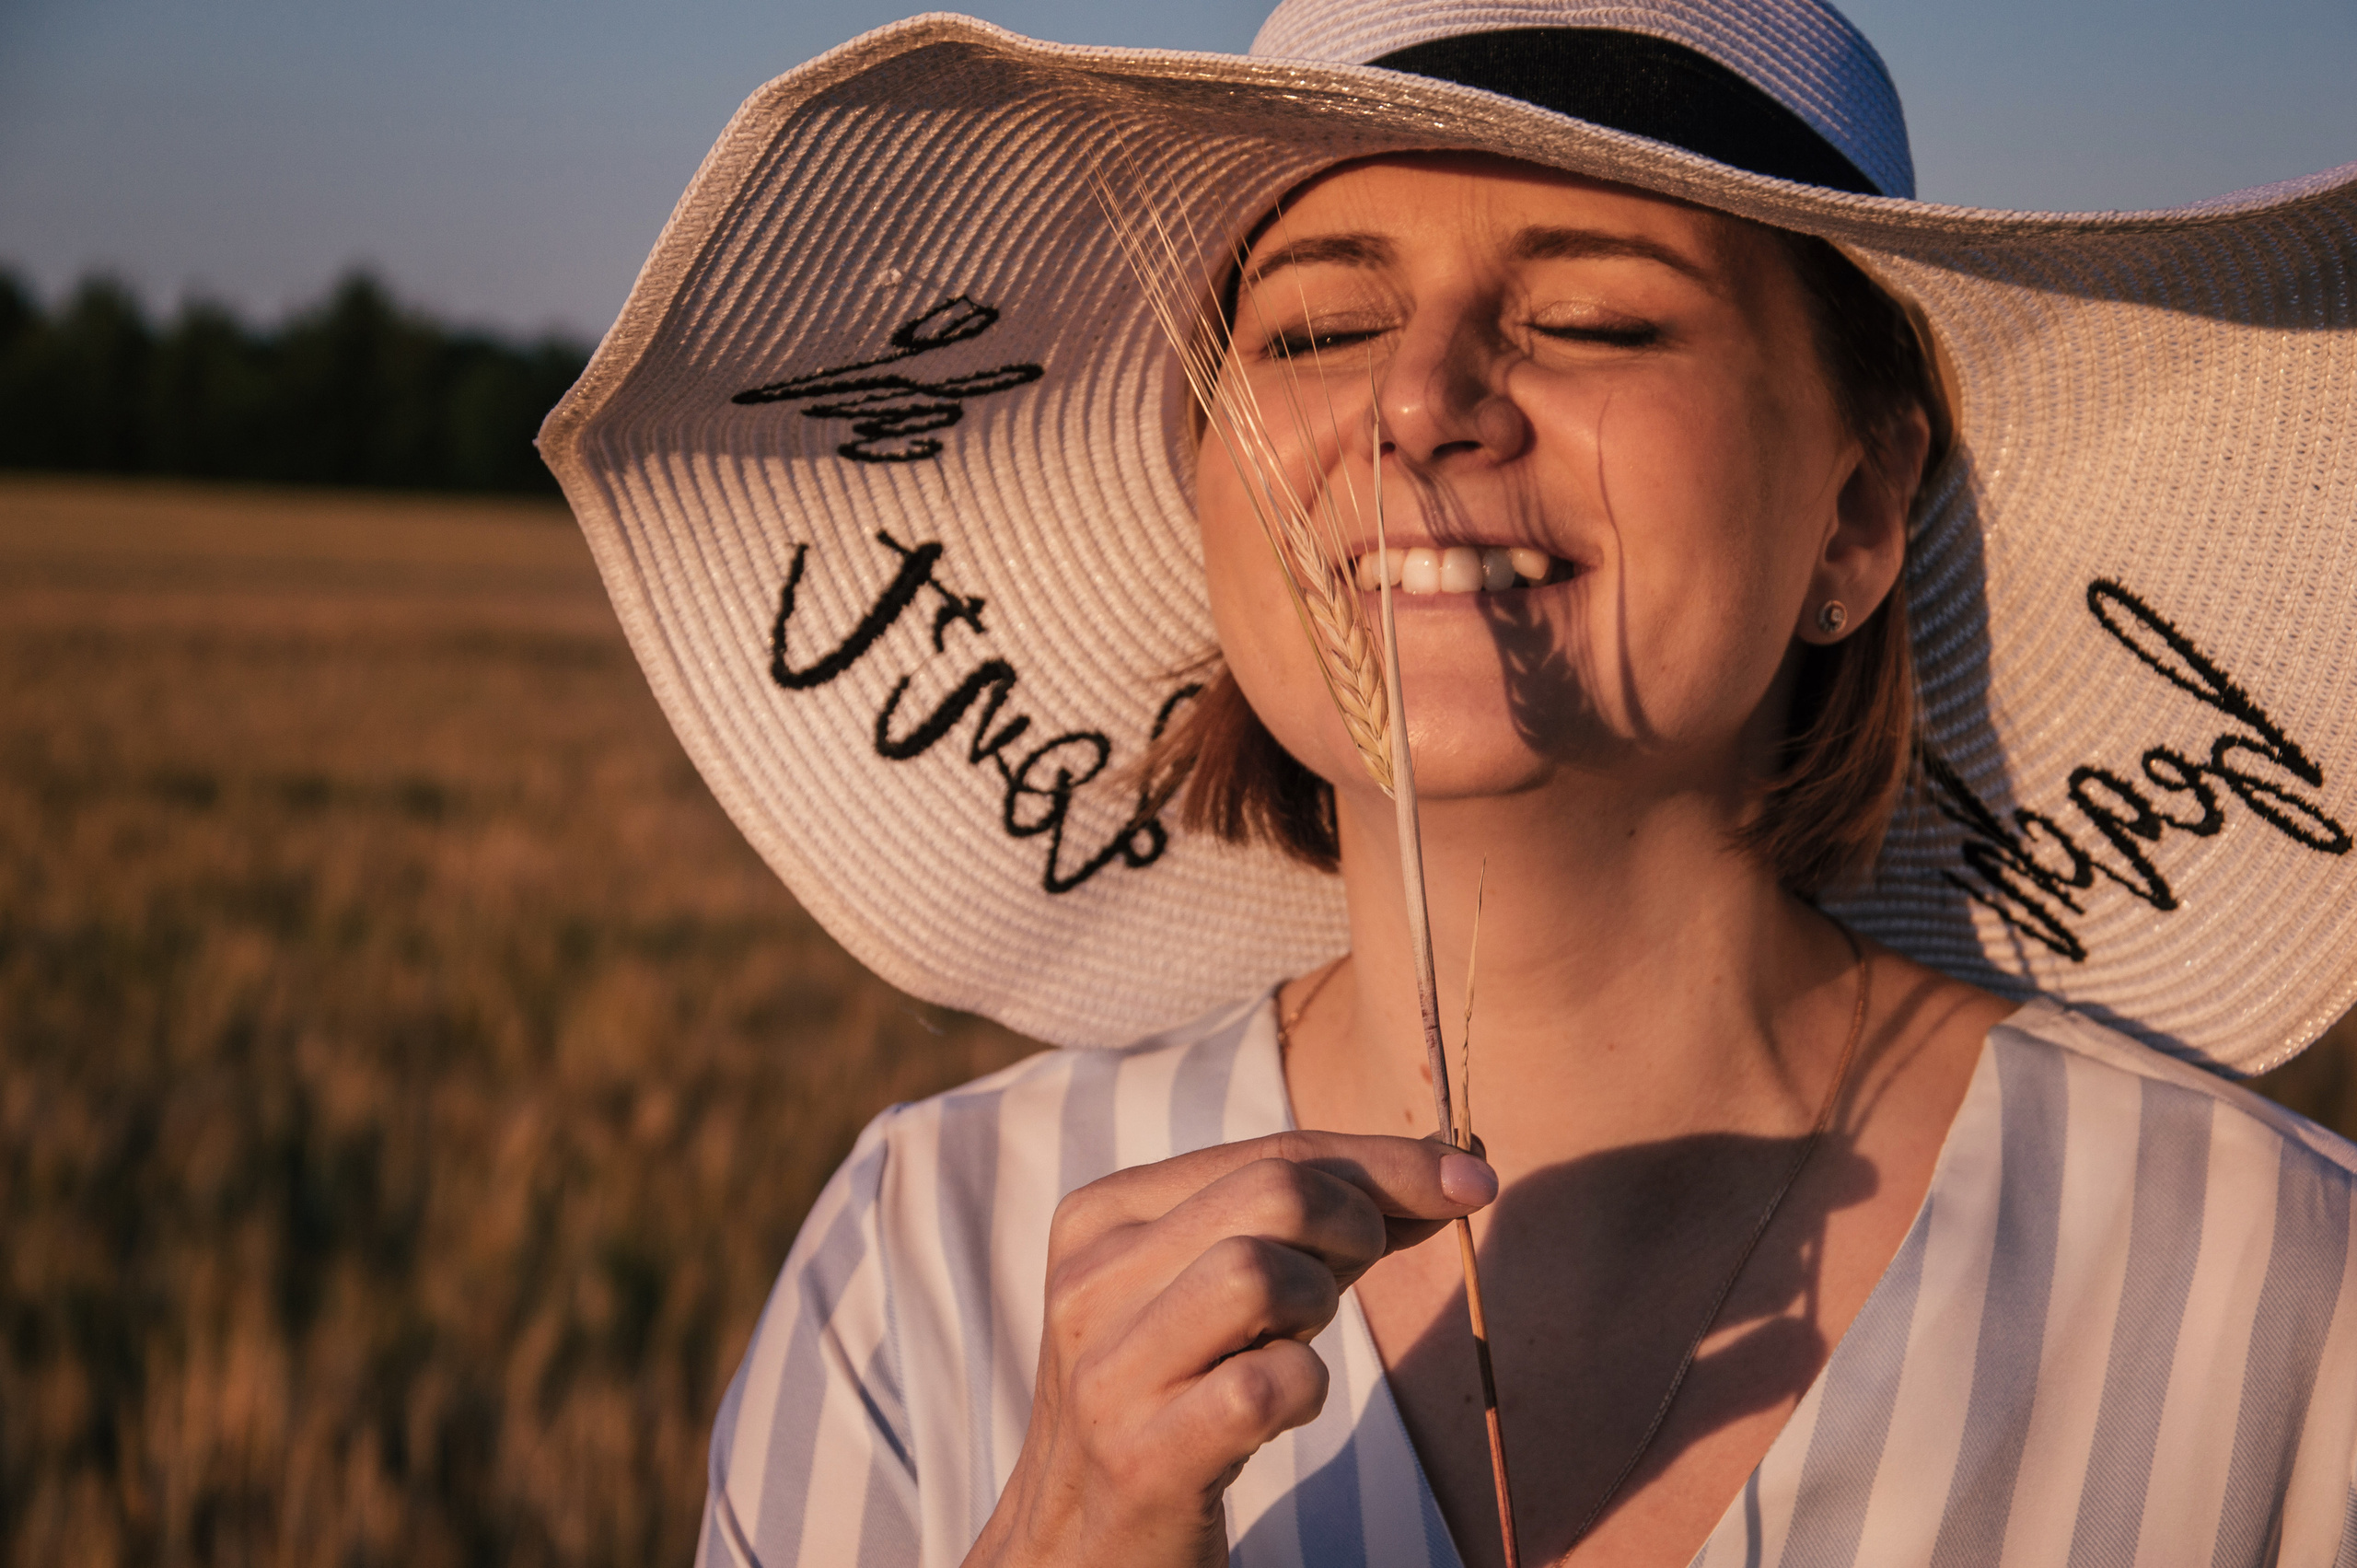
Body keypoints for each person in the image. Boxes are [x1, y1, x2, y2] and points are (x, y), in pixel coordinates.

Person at [538, 0, 2357, 1562]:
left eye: (1596, 320)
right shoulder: (925, 1260)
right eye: (1318, 333)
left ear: (1858, 513)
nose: (1420, 402)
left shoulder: (2276, 1293)